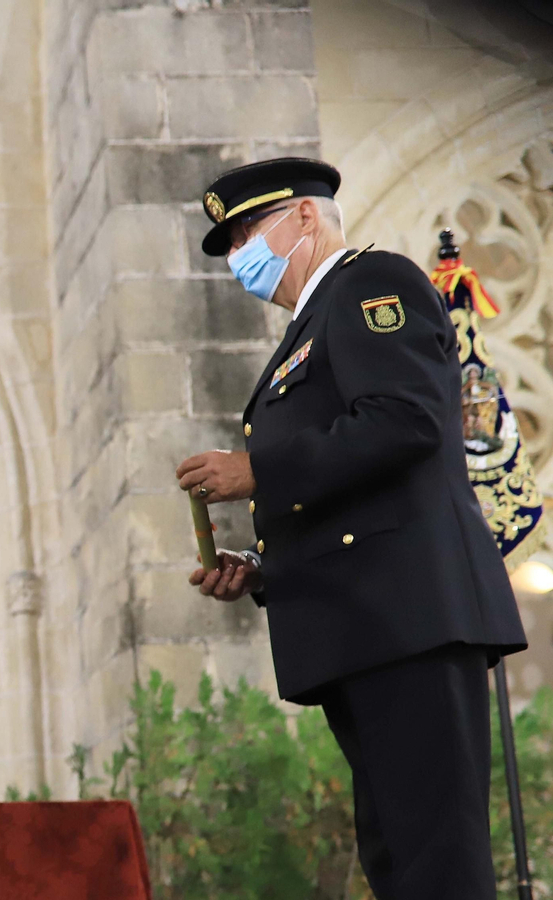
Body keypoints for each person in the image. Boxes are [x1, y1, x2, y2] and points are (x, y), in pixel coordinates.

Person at [177, 157, 527, 900]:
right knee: (398, 862)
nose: (240, 256)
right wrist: (264, 570)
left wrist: (257, 470)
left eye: (246, 233)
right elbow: (351, 503)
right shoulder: (306, 330)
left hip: (412, 622)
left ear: (305, 216)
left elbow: (405, 423)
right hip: (365, 628)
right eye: (231, 243)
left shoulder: (372, 283)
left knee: (437, 860)